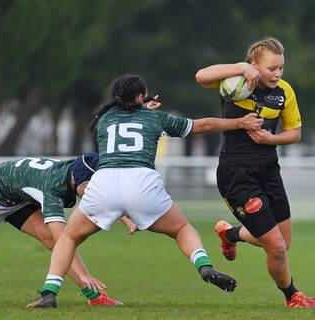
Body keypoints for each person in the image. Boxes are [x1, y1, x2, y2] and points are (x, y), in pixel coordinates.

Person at [27, 73, 263, 308]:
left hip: (105, 182)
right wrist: (240, 123)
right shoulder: (155, 117)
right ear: (141, 96)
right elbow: (203, 125)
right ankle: (205, 266)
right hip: (142, 183)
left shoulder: (103, 119)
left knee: (68, 238)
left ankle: (49, 292)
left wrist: (142, 107)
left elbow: (129, 119)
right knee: (181, 228)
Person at [195, 37, 315, 308]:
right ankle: (293, 296)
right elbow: (202, 76)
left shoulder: (284, 91)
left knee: (283, 242)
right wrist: (239, 67)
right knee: (277, 247)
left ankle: (231, 234)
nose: (278, 74)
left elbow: (295, 133)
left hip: (269, 171)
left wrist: (270, 140)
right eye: (272, 68)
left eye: (281, 68)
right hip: (236, 174)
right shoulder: (234, 81)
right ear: (254, 65)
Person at [0, 153, 135, 306]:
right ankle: (87, 289)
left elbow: (99, 198)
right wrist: (84, 275)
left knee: (54, 242)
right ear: (82, 181)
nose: (98, 194)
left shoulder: (75, 170)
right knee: (62, 242)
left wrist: (125, 218)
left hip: (15, 199)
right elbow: (62, 239)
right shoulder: (52, 189)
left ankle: (94, 296)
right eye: (95, 189)